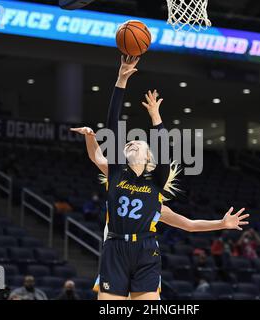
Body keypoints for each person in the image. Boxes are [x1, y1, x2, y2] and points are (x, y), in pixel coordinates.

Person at [71, 56, 249, 300]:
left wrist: (221, 224)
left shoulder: (156, 185)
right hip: (115, 248)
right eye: (130, 142)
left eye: (139, 143)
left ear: (149, 158)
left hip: (145, 251)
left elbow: (188, 224)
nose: (132, 143)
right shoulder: (116, 173)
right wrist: (120, 80)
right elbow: (111, 126)